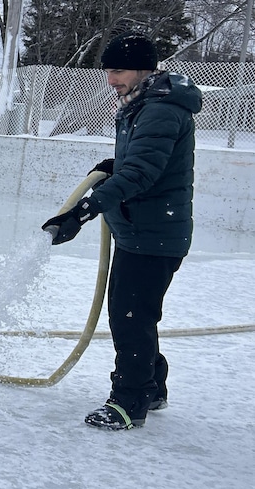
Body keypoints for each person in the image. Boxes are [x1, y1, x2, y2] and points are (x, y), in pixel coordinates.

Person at [41, 31, 202, 430]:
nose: (111, 79)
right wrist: (118, 164)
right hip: (141, 230)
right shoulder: (140, 104)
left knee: (130, 317)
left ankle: (129, 402)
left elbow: (142, 173)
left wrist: (83, 211)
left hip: (154, 234)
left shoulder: (160, 109)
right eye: (108, 71)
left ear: (145, 69)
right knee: (137, 313)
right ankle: (152, 386)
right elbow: (144, 160)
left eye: (119, 70)